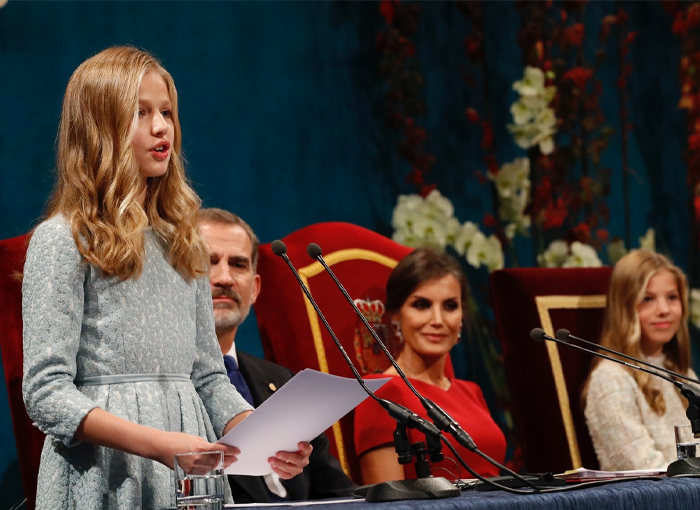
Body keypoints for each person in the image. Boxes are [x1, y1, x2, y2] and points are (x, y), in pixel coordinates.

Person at [21, 46, 310, 510]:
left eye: (167, 112)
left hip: (189, 475)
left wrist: (263, 436)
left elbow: (209, 376)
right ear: (99, 129)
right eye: (140, 113)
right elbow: (45, 393)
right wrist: (156, 444)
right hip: (107, 475)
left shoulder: (184, 243)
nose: (162, 128)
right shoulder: (63, 240)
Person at [198, 207, 356, 502]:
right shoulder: (169, 387)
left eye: (239, 264)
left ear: (255, 288)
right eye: (208, 262)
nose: (225, 278)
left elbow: (338, 493)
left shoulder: (282, 381)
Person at [353, 248, 506, 483]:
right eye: (422, 305)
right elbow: (389, 500)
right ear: (395, 316)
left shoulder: (471, 391)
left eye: (450, 306)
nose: (437, 320)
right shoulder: (379, 392)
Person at [583, 249, 696, 471]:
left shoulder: (682, 374)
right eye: (648, 299)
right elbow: (644, 469)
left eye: (672, 297)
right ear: (624, 308)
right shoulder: (610, 379)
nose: (664, 310)